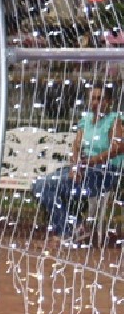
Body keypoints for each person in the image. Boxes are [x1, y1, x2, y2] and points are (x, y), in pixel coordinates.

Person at [32, 83, 124, 243]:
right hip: (83, 169)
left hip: (103, 172)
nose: (96, 102)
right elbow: (77, 145)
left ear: (108, 101)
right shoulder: (86, 120)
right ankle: (74, 226)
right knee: (39, 185)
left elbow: (118, 147)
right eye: (93, 98)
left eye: (100, 99)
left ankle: (69, 229)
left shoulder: (114, 120)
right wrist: (76, 166)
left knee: (46, 186)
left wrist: (91, 161)